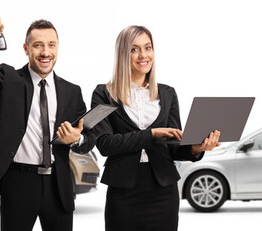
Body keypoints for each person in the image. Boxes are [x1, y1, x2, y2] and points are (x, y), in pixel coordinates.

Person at [0, 16, 96, 231]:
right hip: (19, 182)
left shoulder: (72, 92)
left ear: (58, 48)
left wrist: (77, 139)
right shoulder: (8, 80)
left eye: (51, 45)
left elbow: (89, 139)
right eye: (37, 45)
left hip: (58, 185)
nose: (45, 52)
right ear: (26, 48)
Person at [90, 25, 222, 231]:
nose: (143, 55)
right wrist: (150, 135)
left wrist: (196, 148)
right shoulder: (105, 93)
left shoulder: (167, 94)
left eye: (148, 47)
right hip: (124, 191)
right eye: (134, 49)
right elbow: (105, 144)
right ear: (123, 54)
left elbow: (174, 146)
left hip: (163, 190)